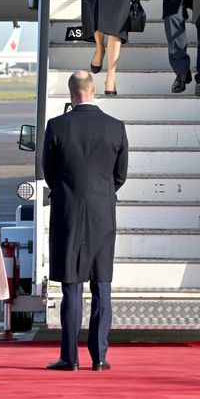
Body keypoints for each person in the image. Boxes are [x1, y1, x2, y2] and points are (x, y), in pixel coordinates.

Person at [42, 70, 128, 372]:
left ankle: (70, 357)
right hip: (103, 213)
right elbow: (120, 175)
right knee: (102, 285)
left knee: (72, 286)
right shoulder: (116, 127)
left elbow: (49, 173)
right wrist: (102, 192)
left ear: (71, 93)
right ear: (93, 91)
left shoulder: (56, 126)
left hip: (68, 212)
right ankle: (100, 356)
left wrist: (68, 192)